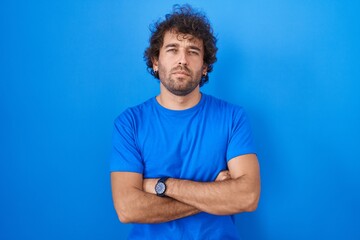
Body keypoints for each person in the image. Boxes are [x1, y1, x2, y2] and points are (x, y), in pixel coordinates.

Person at [110, 4, 260, 240]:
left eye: (193, 51)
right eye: (172, 49)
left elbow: (248, 197)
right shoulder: (129, 123)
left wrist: (162, 186)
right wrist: (214, 193)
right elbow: (127, 209)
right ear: (155, 61)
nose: (182, 60)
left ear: (205, 67)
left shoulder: (233, 118)